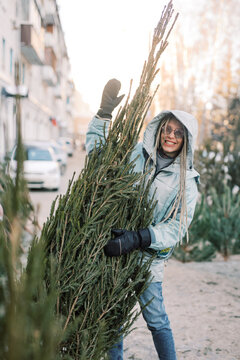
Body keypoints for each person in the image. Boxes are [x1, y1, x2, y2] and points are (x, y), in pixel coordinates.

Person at [86, 79, 200, 360]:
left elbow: (177, 228)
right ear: (160, 129)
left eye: (178, 132)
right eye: (167, 128)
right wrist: (103, 115)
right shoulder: (136, 154)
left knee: (157, 320)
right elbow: (99, 158)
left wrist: (139, 237)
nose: (170, 136)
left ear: (186, 140)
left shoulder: (188, 182)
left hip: (148, 260)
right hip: (117, 252)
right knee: (112, 319)